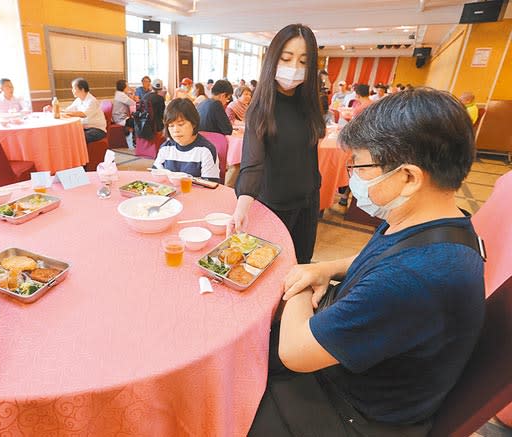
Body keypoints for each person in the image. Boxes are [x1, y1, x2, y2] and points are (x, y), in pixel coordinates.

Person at [249, 88, 485, 437]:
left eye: (360, 164)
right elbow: (380, 255)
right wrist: (325, 268)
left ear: (408, 177)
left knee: (235, 388)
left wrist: (298, 278)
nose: (353, 176)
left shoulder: (413, 278)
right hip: (373, 373)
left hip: (357, 413)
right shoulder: (436, 223)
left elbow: (295, 353)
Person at [230, 24, 326, 264]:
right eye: (287, 58)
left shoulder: (310, 103)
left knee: (301, 261)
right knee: (272, 265)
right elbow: (252, 163)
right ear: (273, 59)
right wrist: (242, 207)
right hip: (275, 203)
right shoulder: (261, 108)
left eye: (304, 62)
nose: (294, 68)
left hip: (308, 200)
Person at [152, 98, 220, 182]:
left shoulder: (205, 150)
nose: (176, 130)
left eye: (180, 124)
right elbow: (156, 174)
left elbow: (210, 184)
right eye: (171, 126)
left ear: (194, 123)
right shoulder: (166, 148)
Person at [63, 78, 107, 143]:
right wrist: (55, 109)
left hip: (97, 130)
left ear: (82, 89)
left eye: (74, 88)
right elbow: (68, 110)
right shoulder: (78, 100)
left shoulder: (92, 101)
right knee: (69, 134)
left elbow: (83, 114)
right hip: (85, 128)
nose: (72, 90)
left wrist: (67, 114)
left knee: (77, 137)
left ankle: (80, 153)